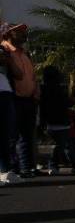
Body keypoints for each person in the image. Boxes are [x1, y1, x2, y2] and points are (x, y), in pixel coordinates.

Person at [1, 22, 40, 178]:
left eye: (24, 31)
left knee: (27, 135)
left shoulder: (25, 54)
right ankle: (12, 168)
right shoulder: (4, 50)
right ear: (8, 34)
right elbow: (17, 75)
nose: (24, 34)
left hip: (29, 99)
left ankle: (27, 167)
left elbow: (32, 76)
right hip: (13, 98)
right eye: (18, 31)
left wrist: (36, 91)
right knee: (12, 135)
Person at [39, 65, 75, 175]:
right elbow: (69, 103)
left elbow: (42, 108)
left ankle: (53, 166)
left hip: (50, 123)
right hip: (64, 122)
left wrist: (42, 123)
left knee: (55, 147)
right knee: (71, 145)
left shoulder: (42, 90)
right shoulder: (60, 89)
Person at [0, 25, 20, 184]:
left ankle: (4, 170)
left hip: (5, 91)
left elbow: (19, 73)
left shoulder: (4, 51)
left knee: (6, 134)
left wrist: (7, 56)